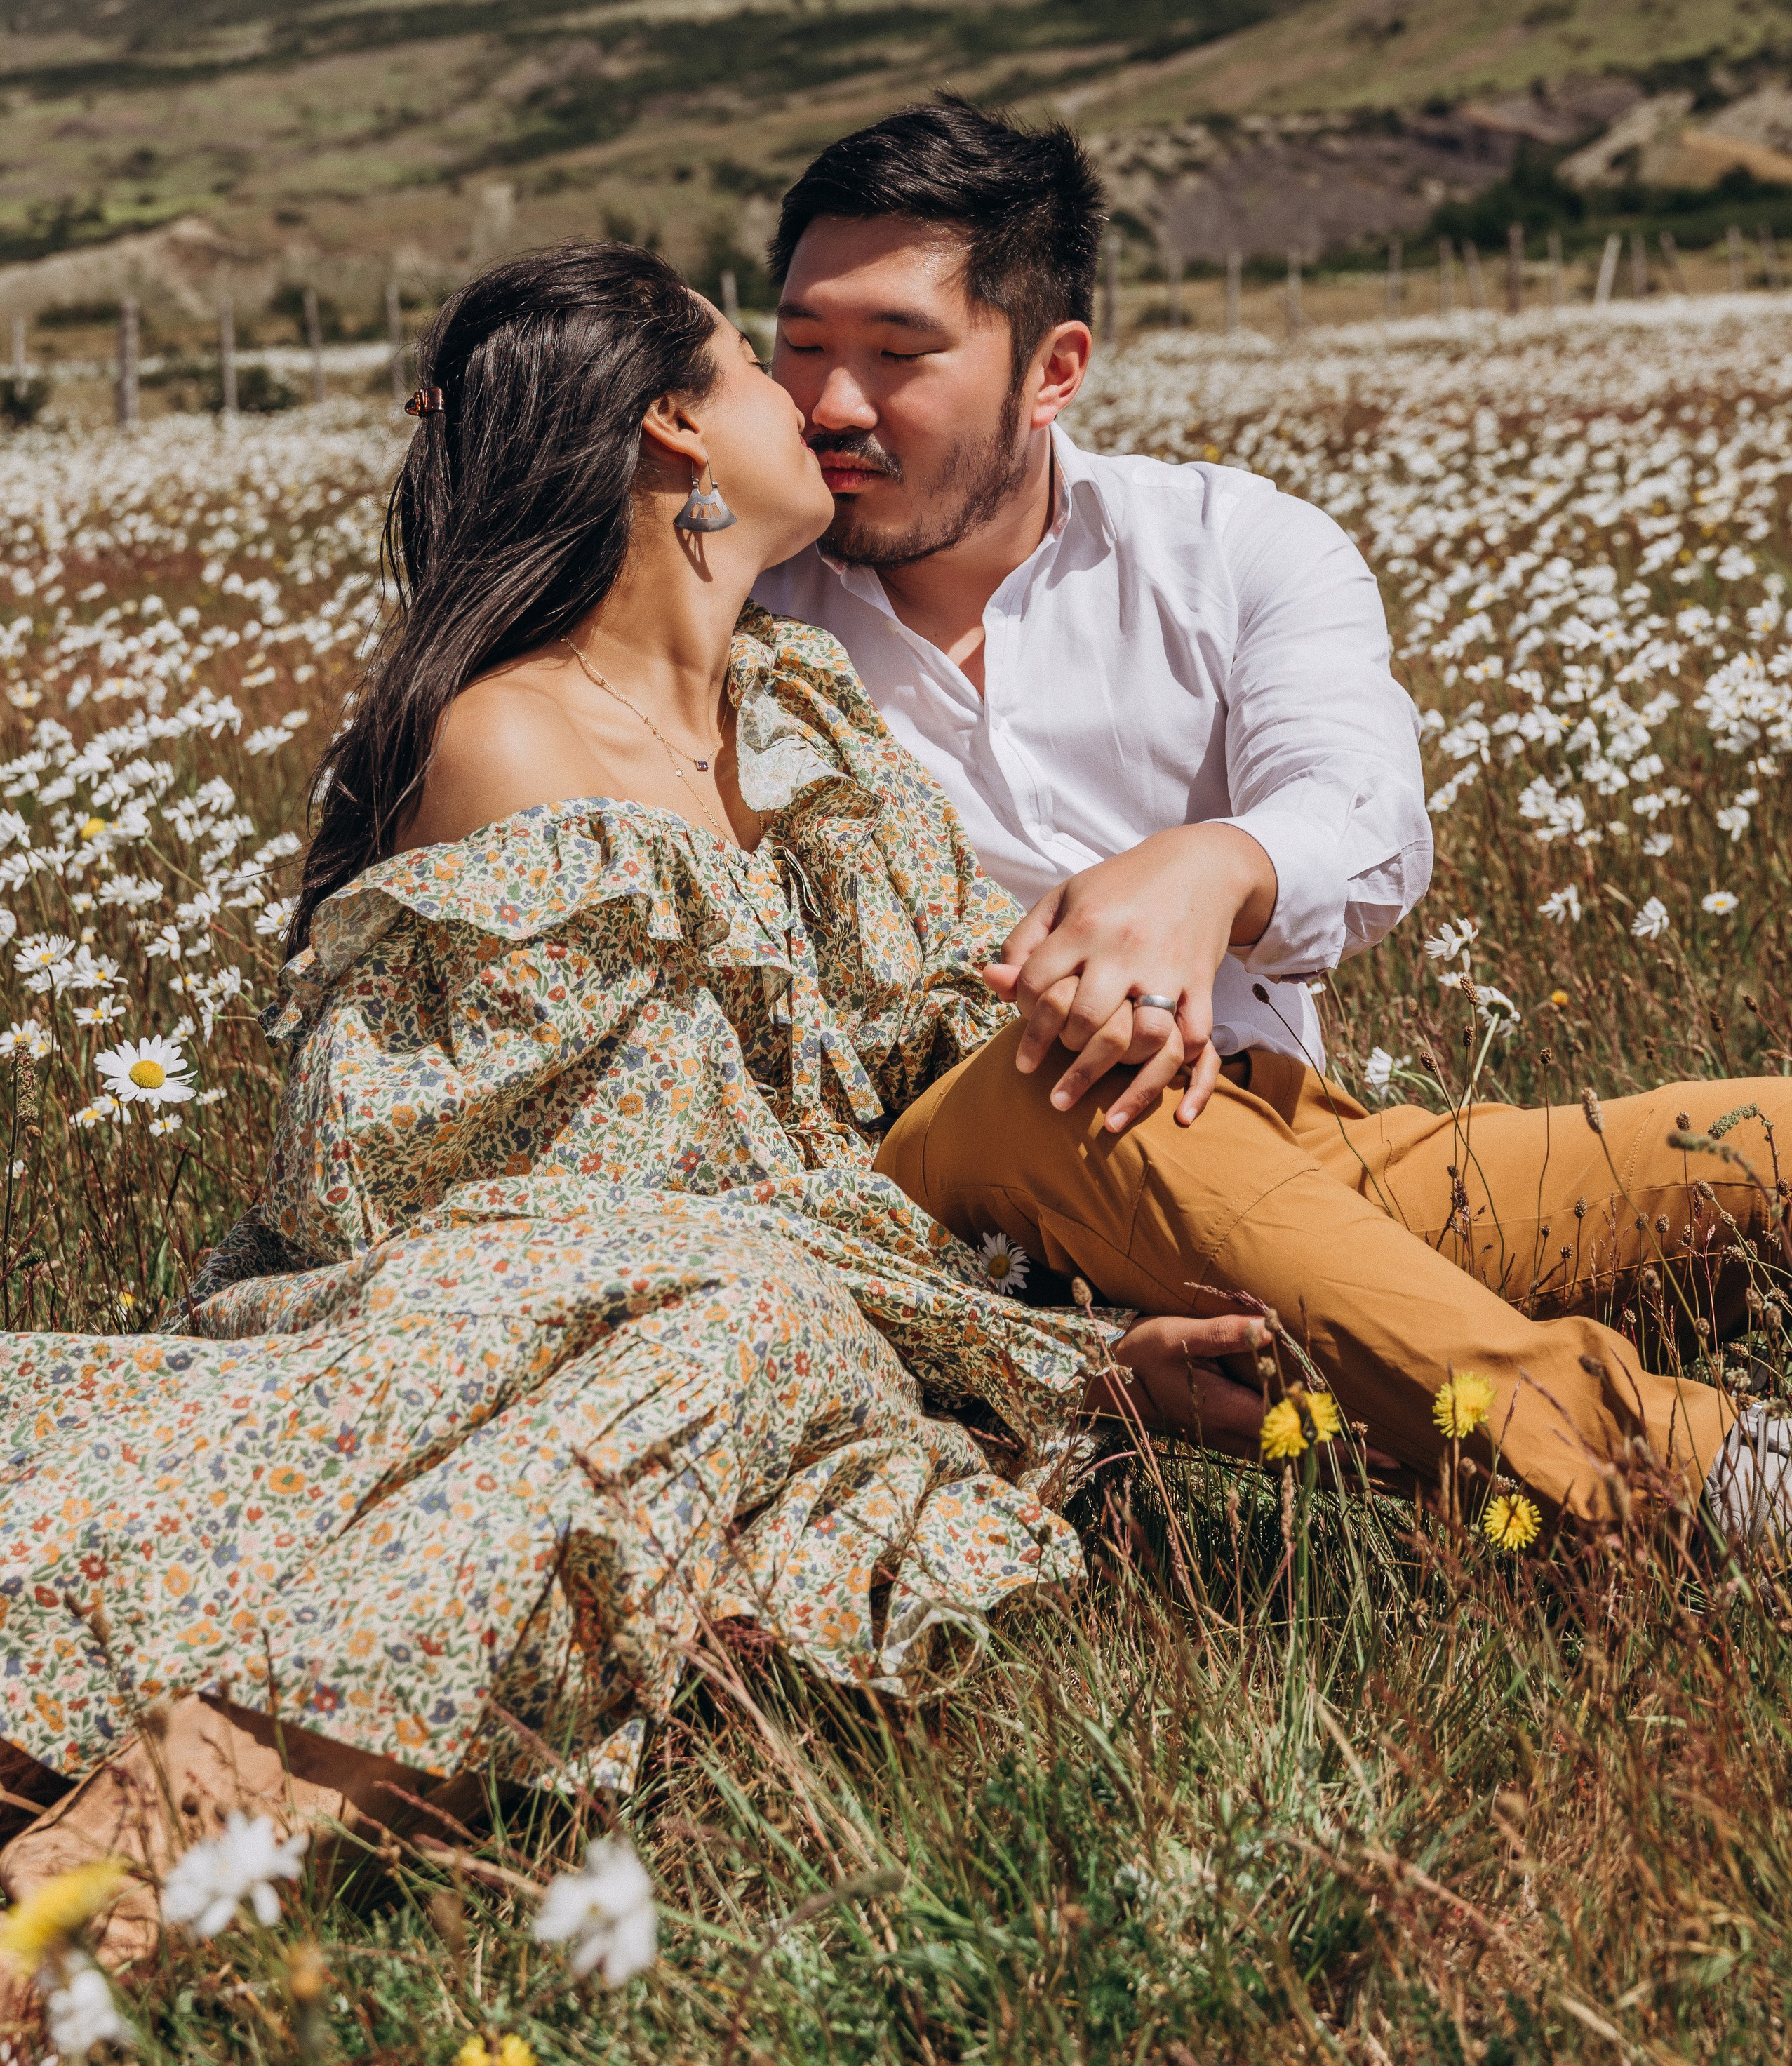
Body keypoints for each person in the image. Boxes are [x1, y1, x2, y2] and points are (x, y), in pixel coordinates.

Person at [1, 242, 1184, 1939]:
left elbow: (911, 1067)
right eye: (763, 369)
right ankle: (87, 1916)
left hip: (778, 1307)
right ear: (676, 437)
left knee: (743, 1365)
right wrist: (1053, 1354)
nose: (813, 404)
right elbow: (574, 1217)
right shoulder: (512, 750)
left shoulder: (800, 718)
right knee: (719, 1360)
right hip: (504, 1317)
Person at [755, 96, 1792, 1531]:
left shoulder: (1231, 546)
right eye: (799, 346)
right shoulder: (730, 608)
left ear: (1052, 370)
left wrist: (1214, 867)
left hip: (1289, 1147)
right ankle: (1690, 1478)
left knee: (1764, 1146)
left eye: (895, 354)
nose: (830, 408)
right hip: (952, 1177)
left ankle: (1386, 1327)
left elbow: (1359, 807)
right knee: (1073, 1079)